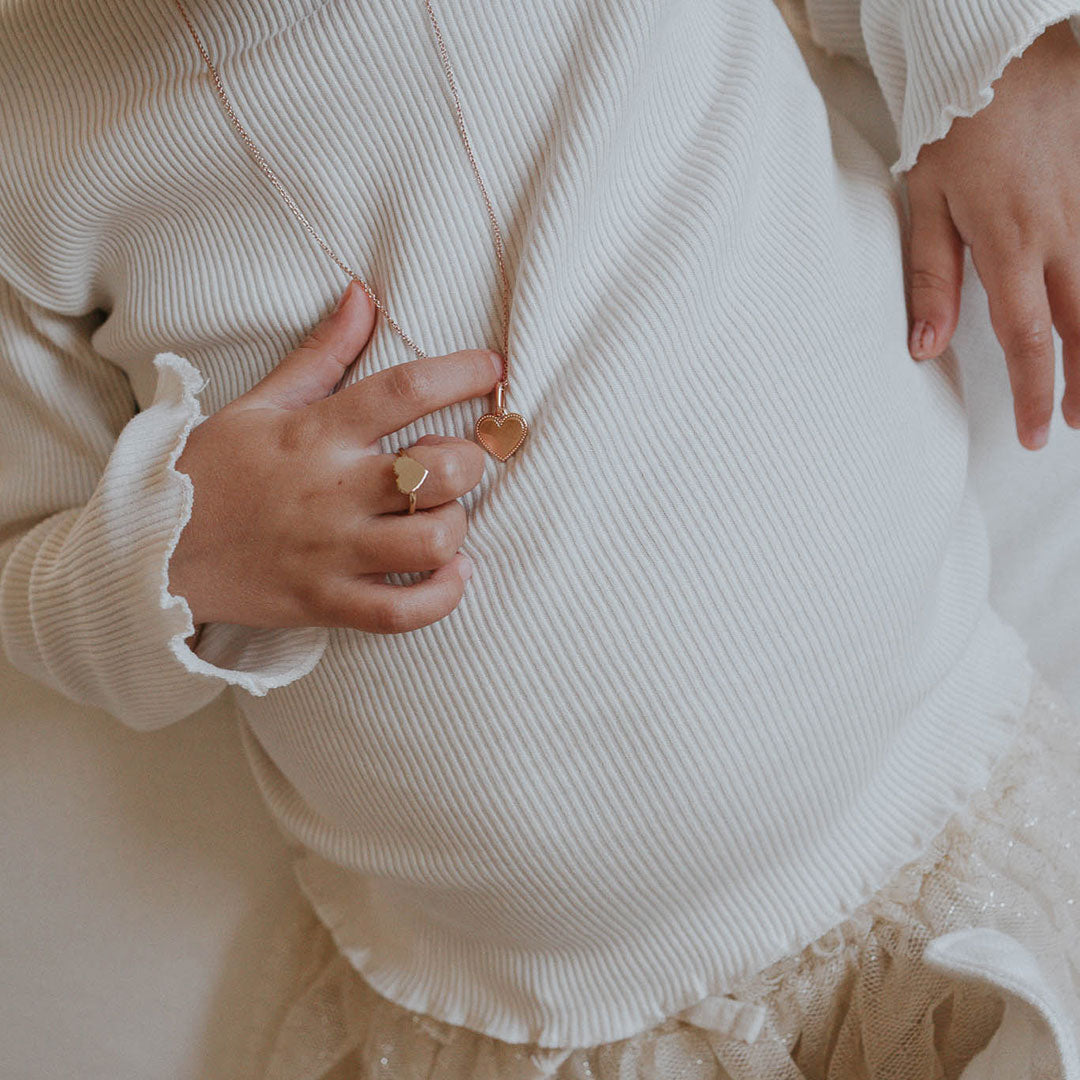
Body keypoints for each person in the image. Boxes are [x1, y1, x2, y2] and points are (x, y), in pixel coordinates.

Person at [1, 1, 1079, 1077]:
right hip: (532, 1008)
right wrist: (180, 550)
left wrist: (1001, 59)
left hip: (943, 805)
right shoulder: (24, 134)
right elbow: (29, 569)